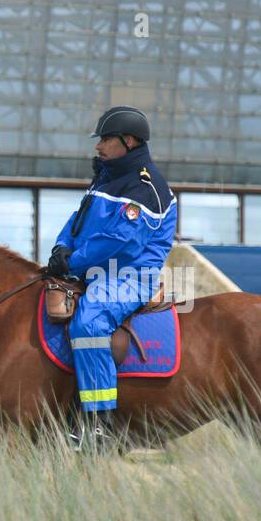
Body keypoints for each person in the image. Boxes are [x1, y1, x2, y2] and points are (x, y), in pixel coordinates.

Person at [44, 106, 176, 451]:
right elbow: (77, 219)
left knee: (88, 324)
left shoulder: (146, 186)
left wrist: (72, 260)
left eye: (105, 139)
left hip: (127, 276)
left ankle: (98, 424)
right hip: (88, 268)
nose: (98, 146)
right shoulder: (107, 176)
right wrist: (61, 247)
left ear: (128, 141)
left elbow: (120, 241)